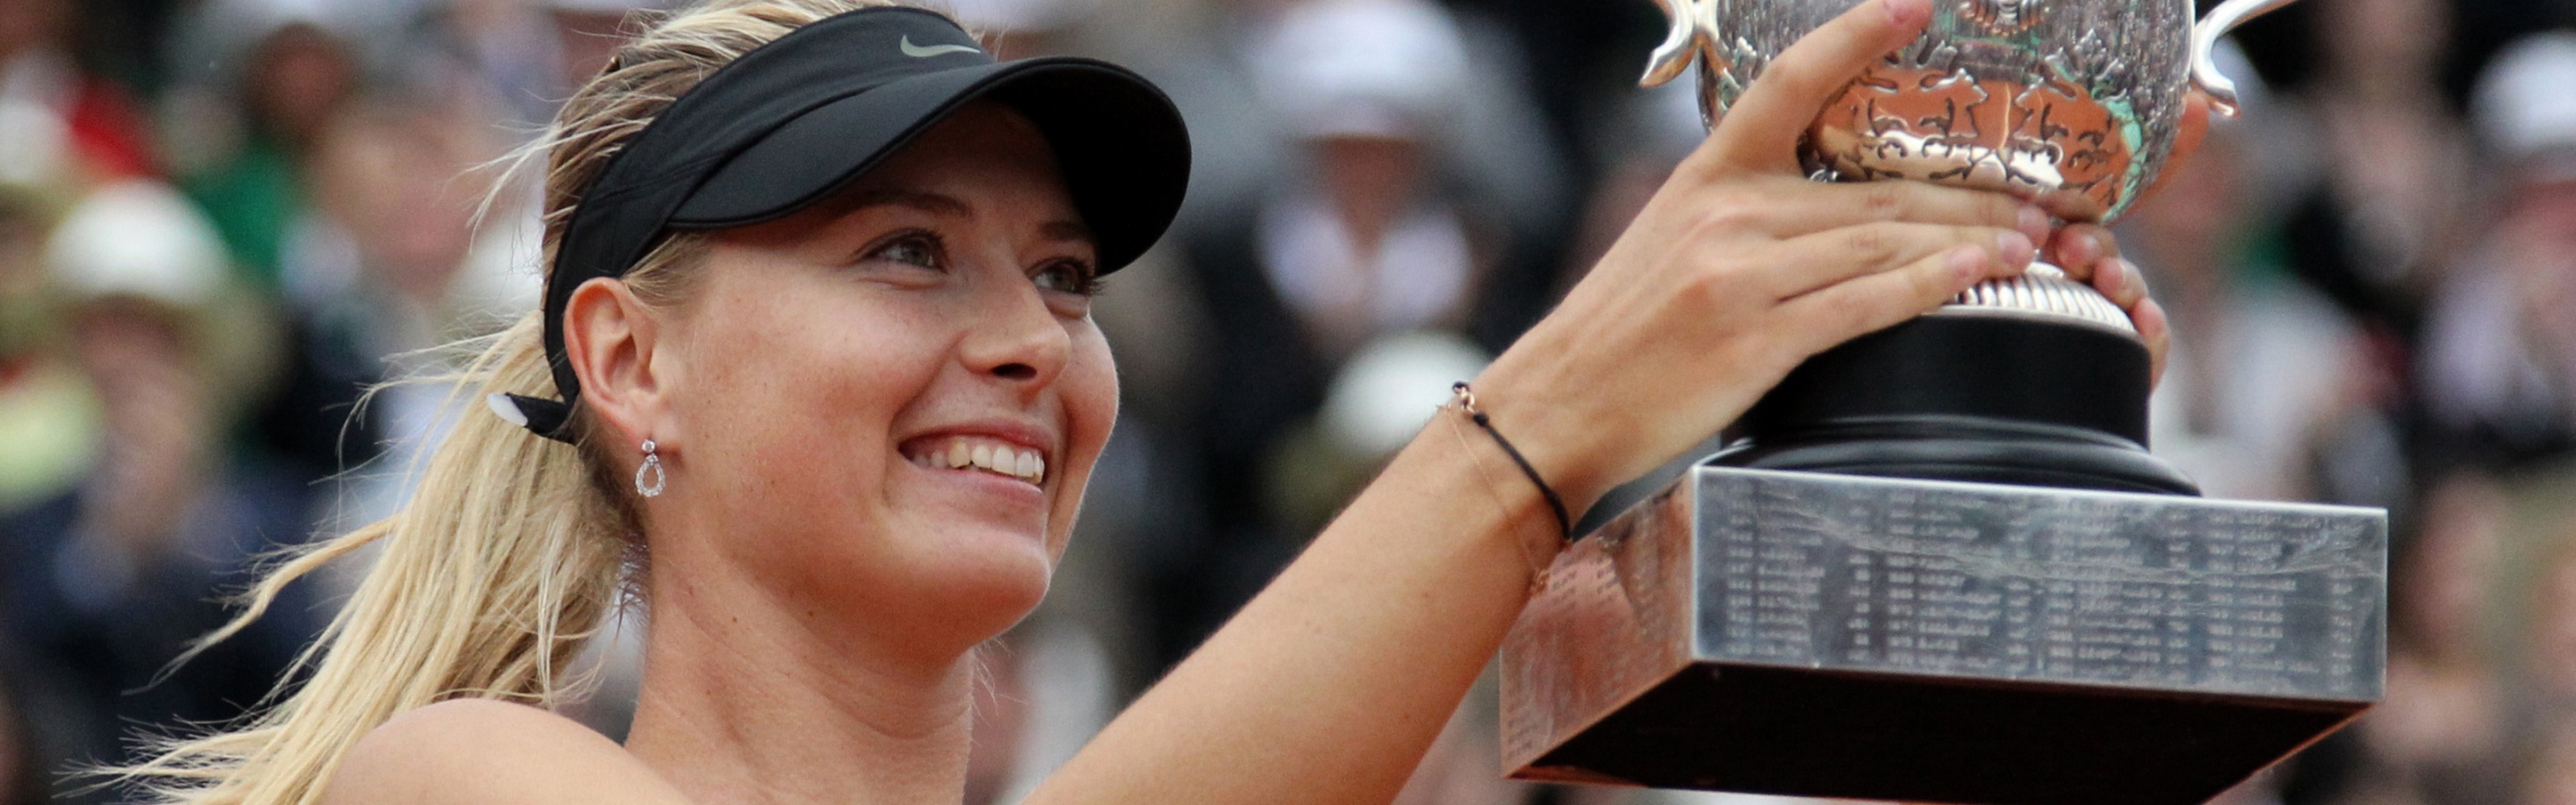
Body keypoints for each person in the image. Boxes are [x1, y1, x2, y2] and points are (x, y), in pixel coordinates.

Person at [111, 0, 2182, 802]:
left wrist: (1985, 549)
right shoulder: (462, 785)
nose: (1030, 337)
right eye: (905, 250)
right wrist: (1545, 419)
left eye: (1068, 278)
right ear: (631, 362)